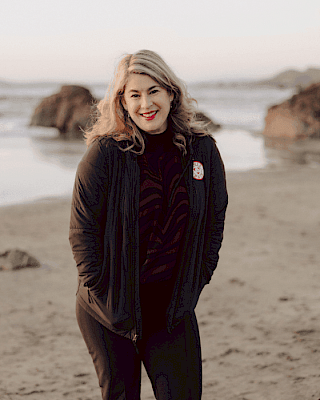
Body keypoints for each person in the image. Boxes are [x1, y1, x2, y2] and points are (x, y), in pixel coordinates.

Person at [69, 49, 228, 400]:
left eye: (153, 90)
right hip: (110, 312)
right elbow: (82, 234)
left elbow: (215, 219)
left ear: (171, 92)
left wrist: (201, 273)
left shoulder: (202, 150)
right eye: (135, 95)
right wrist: (106, 292)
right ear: (122, 103)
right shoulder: (105, 154)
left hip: (172, 309)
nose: (146, 104)